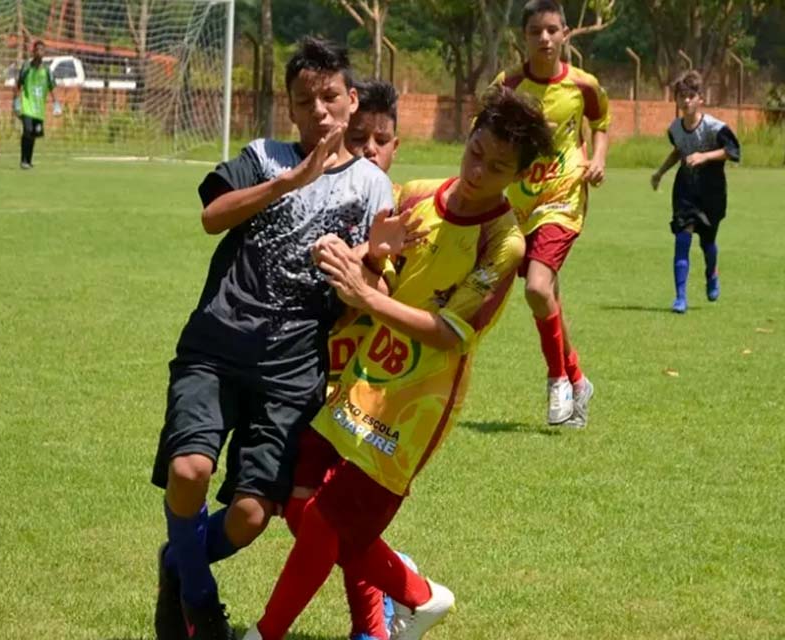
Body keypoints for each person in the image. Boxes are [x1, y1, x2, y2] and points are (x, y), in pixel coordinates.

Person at [240, 85, 554, 640]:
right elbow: (378, 273)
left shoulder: (503, 244)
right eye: (477, 150)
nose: (479, 170)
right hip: (363, 380)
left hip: (415, 408)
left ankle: (267, 634)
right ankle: (418, 594)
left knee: (326, 525)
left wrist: (370, 299)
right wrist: (363, 257)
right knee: (300, 506)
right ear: (470, 133)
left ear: (520, 175)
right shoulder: (413, 196)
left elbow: (449, 334)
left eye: (499, 166)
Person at [151, 37, 402, 640]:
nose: (319, 110)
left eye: (330, 96)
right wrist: (286, 184)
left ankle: (178, 564)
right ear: (289, 109)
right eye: (304, 100)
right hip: (215, 347)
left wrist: (365, 263)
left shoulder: (372, 187)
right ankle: (202, 609)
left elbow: (369, 292)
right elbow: (212, 216)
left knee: (250, 515)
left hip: (293, 372)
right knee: (189, 472)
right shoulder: (264, 157)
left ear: (350, 99)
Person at [493, 0, 610, 428]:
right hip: (520, 205)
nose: (544, 38)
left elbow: (601, 122)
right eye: (536, 31)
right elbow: (482, 132)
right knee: (548, 297)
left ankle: (557, 378)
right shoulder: (507, 85)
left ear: (565, 34)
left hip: (564, 199)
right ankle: (579, 379)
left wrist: (597, 159)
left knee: (537, 288)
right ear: (523, 37)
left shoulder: (583, 85)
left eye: (552, 30)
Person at [335, 78, 416, 640]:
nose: (368, 149)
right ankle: (400, 579)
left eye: (380, 140)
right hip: (322, 368)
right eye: (358, 137)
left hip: (379, 382)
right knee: (315, 513)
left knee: (338, 513)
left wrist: (367, 265)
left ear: (395, 146)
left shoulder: (408, 213)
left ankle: (374, 625)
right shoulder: (334, 195)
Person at [651, 70, 740, 313]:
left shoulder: (715, 127)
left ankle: (712, 273)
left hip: (712, 190)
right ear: (676, 100)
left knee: (707, 242)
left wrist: (704, 156)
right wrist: (660, 173)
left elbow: (732, 151)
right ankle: (680, 297)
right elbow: (679, 151)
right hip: (686, 188)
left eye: (691, 95)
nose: (686, 100)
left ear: (701, 98)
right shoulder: (675, 129)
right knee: (682, 238)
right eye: (682, 96)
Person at [12, 40, 60, 170]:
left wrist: (56, 103)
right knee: (27, 130)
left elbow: (53, 87)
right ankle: (23, 160)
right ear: (33, 51)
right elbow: (19, 84)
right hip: (27, 106)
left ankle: (29, 160)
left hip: (39, 109)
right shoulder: (27, 67)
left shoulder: (47, 71)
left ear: (44, 53)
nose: (39, 52)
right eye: (37, 49)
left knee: (34, 133)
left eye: (42, 50)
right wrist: (16, 102)